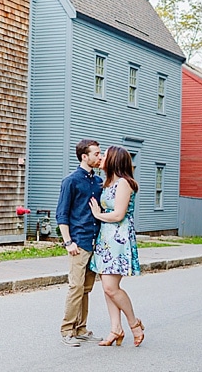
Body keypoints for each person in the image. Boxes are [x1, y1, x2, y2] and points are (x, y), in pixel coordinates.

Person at [89, 145, 145, 347]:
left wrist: (98, 215)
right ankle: (116, 329)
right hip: (106, 237)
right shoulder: (108, 183)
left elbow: (119, 214)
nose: (102, 157)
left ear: (115, 160)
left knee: (112, 287)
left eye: (105, 155)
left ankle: (134, 324)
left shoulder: (124, 183)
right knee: (107, 288)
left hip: (119, 238)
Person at [56, 139, 104, 346]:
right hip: (78, 242)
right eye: (96, 154)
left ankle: (81, 328)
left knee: (86, 288)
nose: (99, 157)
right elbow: (62, 214)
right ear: (84, 156)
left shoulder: (98, 182)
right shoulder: (71, 181)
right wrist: (68, 242)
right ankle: (67, 330)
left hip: (95, 241)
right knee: (75, 286)